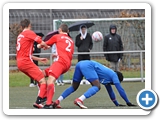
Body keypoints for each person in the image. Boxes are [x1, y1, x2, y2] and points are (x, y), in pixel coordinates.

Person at [53, 60, 136, 109]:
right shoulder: (114, 75)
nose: (114, 84)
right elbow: (120, 89)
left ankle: (58, 101)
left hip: (80, 64)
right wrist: (128, 102)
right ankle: (79, 100)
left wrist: (116, 104)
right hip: (87, 65)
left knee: (74, 87)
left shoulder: (108, 77)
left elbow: (110, 91)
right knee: (97, 86)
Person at [38, 23, 74, 109]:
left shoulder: (57, 36)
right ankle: (45, 97)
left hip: (60, 62)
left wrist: (40, 45)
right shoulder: (71, 40)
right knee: (40, 75)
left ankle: (48, 103)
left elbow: (44, 44)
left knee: (50, 81)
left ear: (60, 30)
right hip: (67, 64)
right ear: (68, 31)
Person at [16, 19, 49, 109]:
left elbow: (27, 54)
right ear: (29, 25)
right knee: (43, 80)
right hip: (26, 62)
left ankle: (44, 97)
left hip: (20, 62)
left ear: (21, 27)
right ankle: (39, 100)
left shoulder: (20, 36)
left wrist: (39, 59)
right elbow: (40, 42)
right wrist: (47, 45)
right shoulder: (29, 33)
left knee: (39, 78)